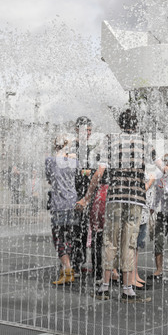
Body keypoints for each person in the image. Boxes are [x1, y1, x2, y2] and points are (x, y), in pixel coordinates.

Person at [77, 110, 168, 303]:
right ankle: (127, 290)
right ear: (136, 124)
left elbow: (98, 174)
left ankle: (104, 288)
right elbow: (164, 168)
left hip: (115, 199)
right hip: (136, 200)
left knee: (110, 242)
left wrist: (86, 199)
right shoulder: (144, 142)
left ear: (120, 124)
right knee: (129, 244)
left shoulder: (110, 141)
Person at [45, 135, 79, 285]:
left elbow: (49, 179)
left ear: (55, 146)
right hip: (73, 203)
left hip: (58, 204)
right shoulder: (74, 161)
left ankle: (67, 270)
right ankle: (67, 270)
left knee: (58, 238)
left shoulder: (50, 161)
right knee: (69, 238)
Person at [72, 116, 93, 275]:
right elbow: (73, 172)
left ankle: (81, 261)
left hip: (88, 194)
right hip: (74, 194)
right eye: (86, 130)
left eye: (90, 130)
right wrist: (88, 172)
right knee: (75, 229)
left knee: (84, 230)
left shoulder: (91, 149)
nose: (89, 133)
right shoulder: (72, 148)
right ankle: (74, 263)